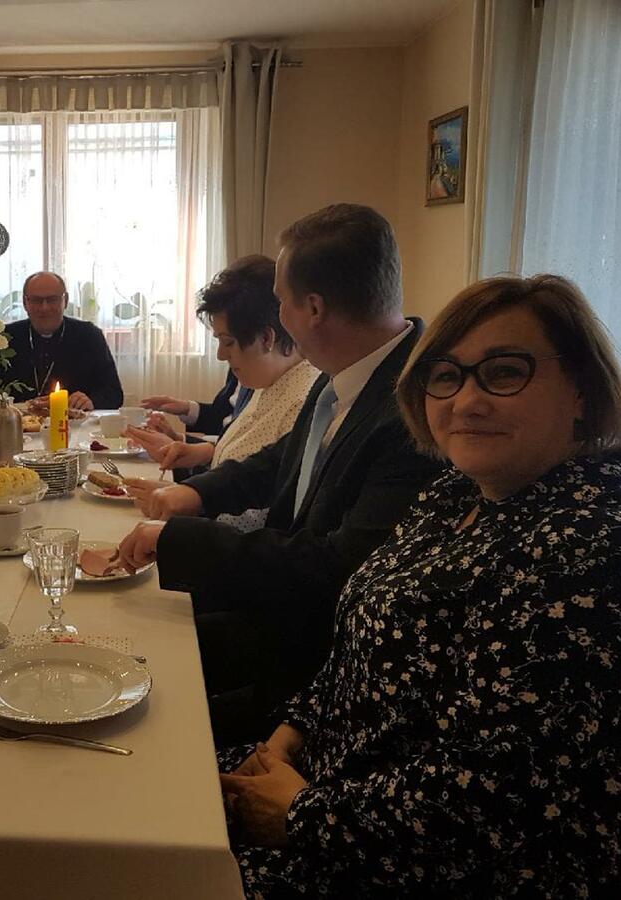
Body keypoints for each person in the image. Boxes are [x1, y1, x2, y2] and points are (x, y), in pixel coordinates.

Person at [226, 274, 621, 897]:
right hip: (327, 787)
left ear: (582, 387)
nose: (466, 401)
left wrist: (300, 814)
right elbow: (361, 649)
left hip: (410, 862)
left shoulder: (597, 545)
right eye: (446, 376)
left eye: (505, 372)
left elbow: (496, 799)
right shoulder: (457, 492)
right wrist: (287, 738)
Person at [118, 204, 442, 742]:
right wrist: (198, 495)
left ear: (311, 308)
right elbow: (283, 459)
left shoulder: (415, 408)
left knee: (143, 712)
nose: (279, 316)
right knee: (125, 636)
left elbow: (338, 567)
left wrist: (180, 539)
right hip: (278, 615)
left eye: (282, 301)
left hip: (318, 665)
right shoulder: (350, 368)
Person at [124, 256, 319, 509]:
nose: (220, 355)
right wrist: (201, 456)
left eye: (228, 342)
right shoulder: (267, 383)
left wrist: (189, 505)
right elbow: (243, 457)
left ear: (266, 338)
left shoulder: (301, 403)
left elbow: (268, 514)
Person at [0, 271, 123, 411]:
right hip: (18, 426)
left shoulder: (89, 336)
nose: (44, 308)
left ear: (65, 300)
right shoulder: (5, 338)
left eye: (52, 299)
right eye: (36, 300)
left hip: (73, 426)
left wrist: (91, 401)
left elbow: (114, 394)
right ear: (25, 303)